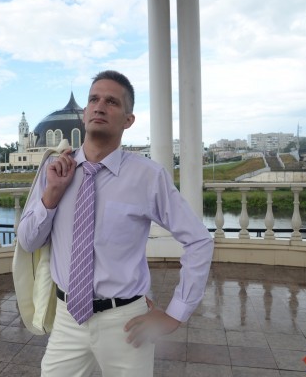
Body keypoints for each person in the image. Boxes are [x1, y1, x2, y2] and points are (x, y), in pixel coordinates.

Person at [17, 70, 214, 376]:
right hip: (68, 319)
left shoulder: (148, 176)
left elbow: (199, 240)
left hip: (126, 322)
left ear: (128, 120)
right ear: (84, 114)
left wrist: (176, 313)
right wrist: (52, 193)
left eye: (111, 102)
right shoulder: (55, 170)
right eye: (93, 99)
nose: (99, 106)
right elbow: (28, 241)